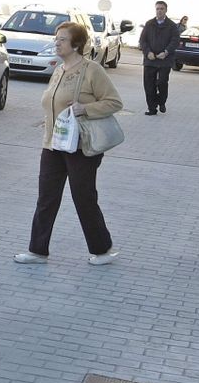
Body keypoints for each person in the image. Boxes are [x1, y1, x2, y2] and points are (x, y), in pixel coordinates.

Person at [15, 21, 124, 266]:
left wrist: (86, 108)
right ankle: (37, 251)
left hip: (80, 146)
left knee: (83, 197)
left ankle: (102, 249)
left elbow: (114, 102)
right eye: (56, 38)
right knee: (46, 198)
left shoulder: (92, 70)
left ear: (75, 44)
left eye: (62, 39)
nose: (56, 42)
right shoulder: (59, 69)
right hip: (53, 144)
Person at [137, 0, 187, 115]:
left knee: (162, 82)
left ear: (166, 10)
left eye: (161, 9)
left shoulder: (171, 26)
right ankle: (152, 108)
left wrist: (166, 52)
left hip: (165, 60)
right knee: (149, 84)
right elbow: (143, 40)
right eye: (157, 9)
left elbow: (175, 41)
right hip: (150, 59)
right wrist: (147, 52)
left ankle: (161, 101)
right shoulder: (149, 24)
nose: (159, 11)